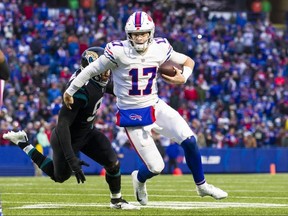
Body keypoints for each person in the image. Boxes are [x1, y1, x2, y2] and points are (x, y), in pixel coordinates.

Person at [63, 11, 228, 205]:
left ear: (150, 33)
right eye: (135, 34)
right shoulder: (117, 51)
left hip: (155, 104)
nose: (139, 37)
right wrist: (70, 90)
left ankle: (202, 186)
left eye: (143, 34)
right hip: (131, 113)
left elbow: (187, 61)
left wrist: (185, 76)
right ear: (128, 35)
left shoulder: (160, 47)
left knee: (190, 140)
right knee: (156, 167)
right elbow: (91, 69)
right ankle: (139, 179)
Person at [3, 47, 139, 210]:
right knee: (59, 176)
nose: (107, 73)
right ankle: (24, 144)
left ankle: (116, 200)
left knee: (112, 163)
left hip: (87, 132)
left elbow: (110, 88)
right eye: (103, 69)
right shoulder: (79, 90)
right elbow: (62, 126)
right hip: (66, 136)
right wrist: (70, 157)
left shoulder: (95, 79)